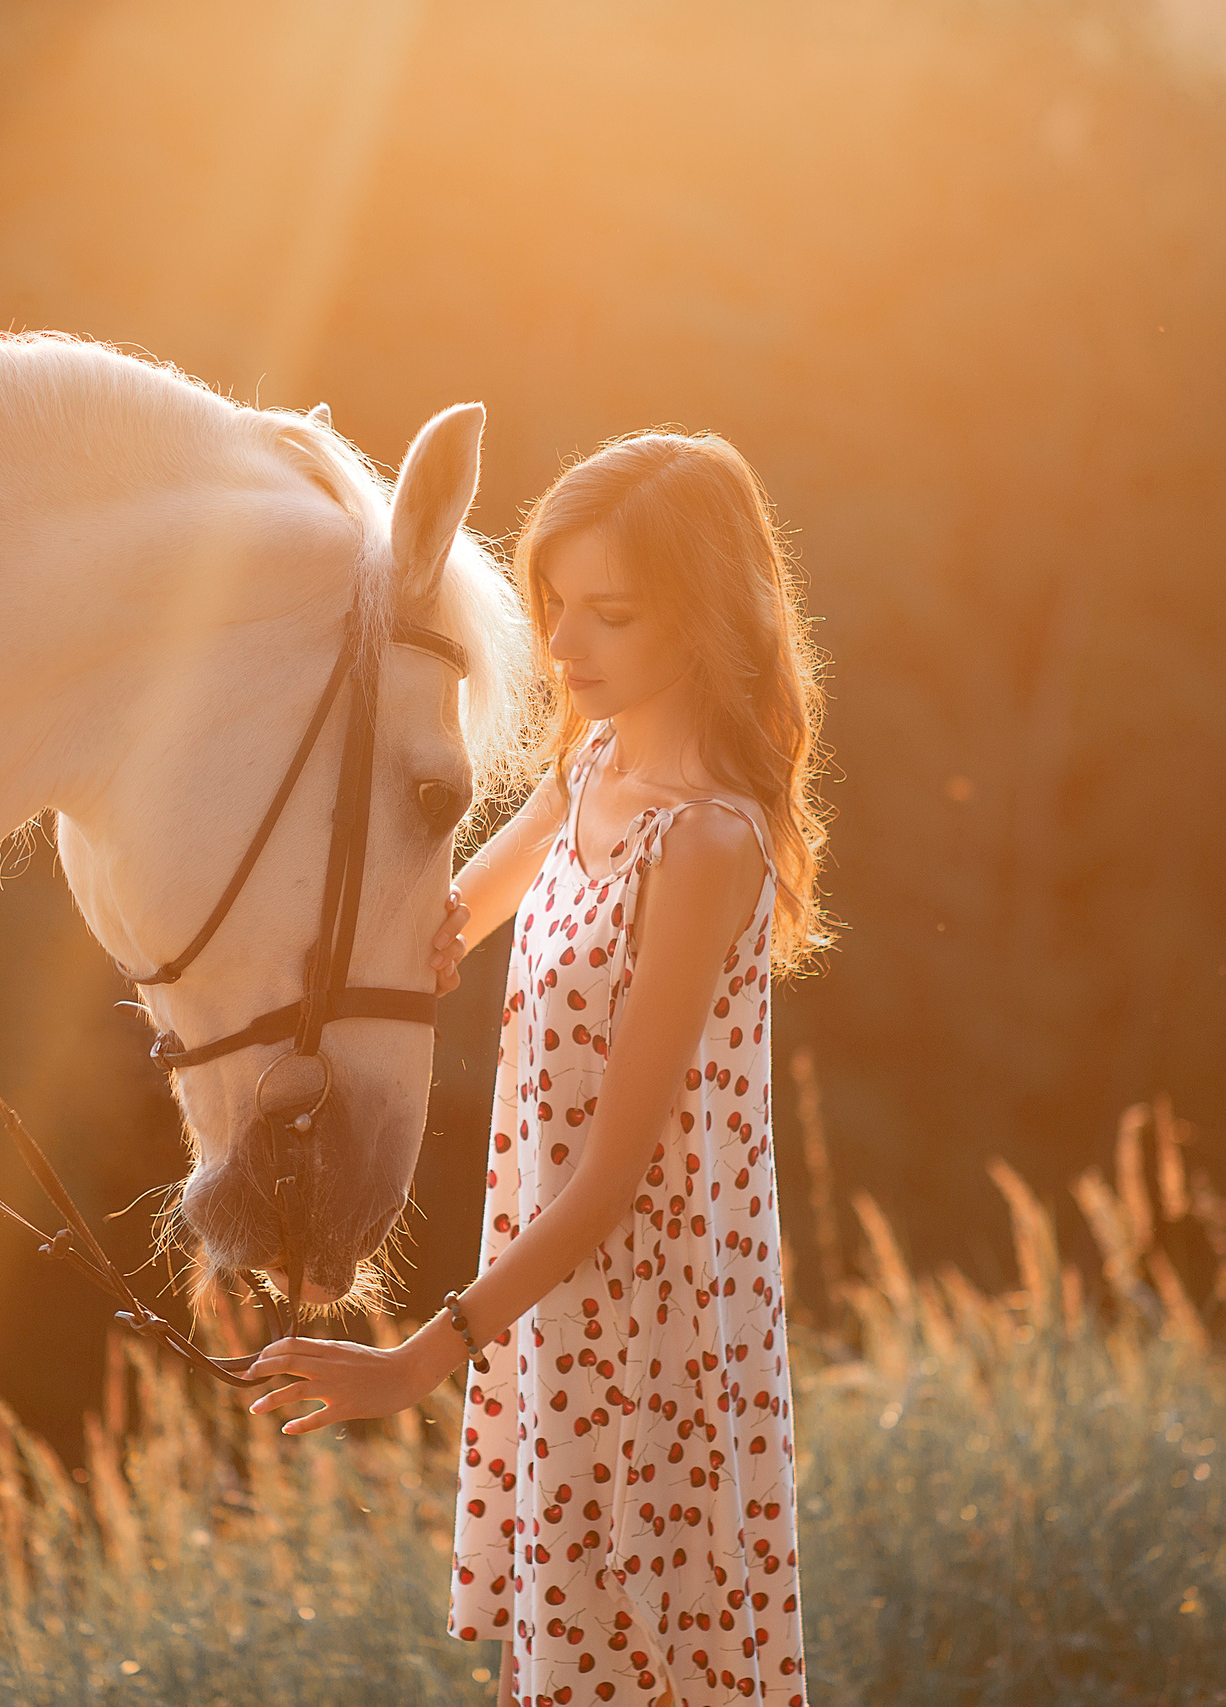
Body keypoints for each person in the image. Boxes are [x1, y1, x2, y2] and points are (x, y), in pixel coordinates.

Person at [247, 431, 829, 1707]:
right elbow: (444, 923)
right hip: (557, 1309)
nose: (563, 649)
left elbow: (618, 1179)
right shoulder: (590, 771)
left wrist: (420, 1359)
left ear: (706, 613)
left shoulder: (708, 845)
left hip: (645, 1333)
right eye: (554, 607)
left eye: (609, 616)